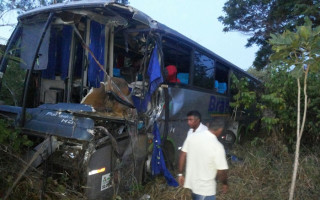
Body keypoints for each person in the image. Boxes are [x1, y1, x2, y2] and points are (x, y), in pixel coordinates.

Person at [177, 118, 229, 200]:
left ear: (208, 125)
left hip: (192, 186)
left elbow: (182, 154)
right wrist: (225, 183)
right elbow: (221, 171)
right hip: (206, 190)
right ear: (220, 130)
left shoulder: (192, 137)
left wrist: (180, 174)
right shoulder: (217, 146)